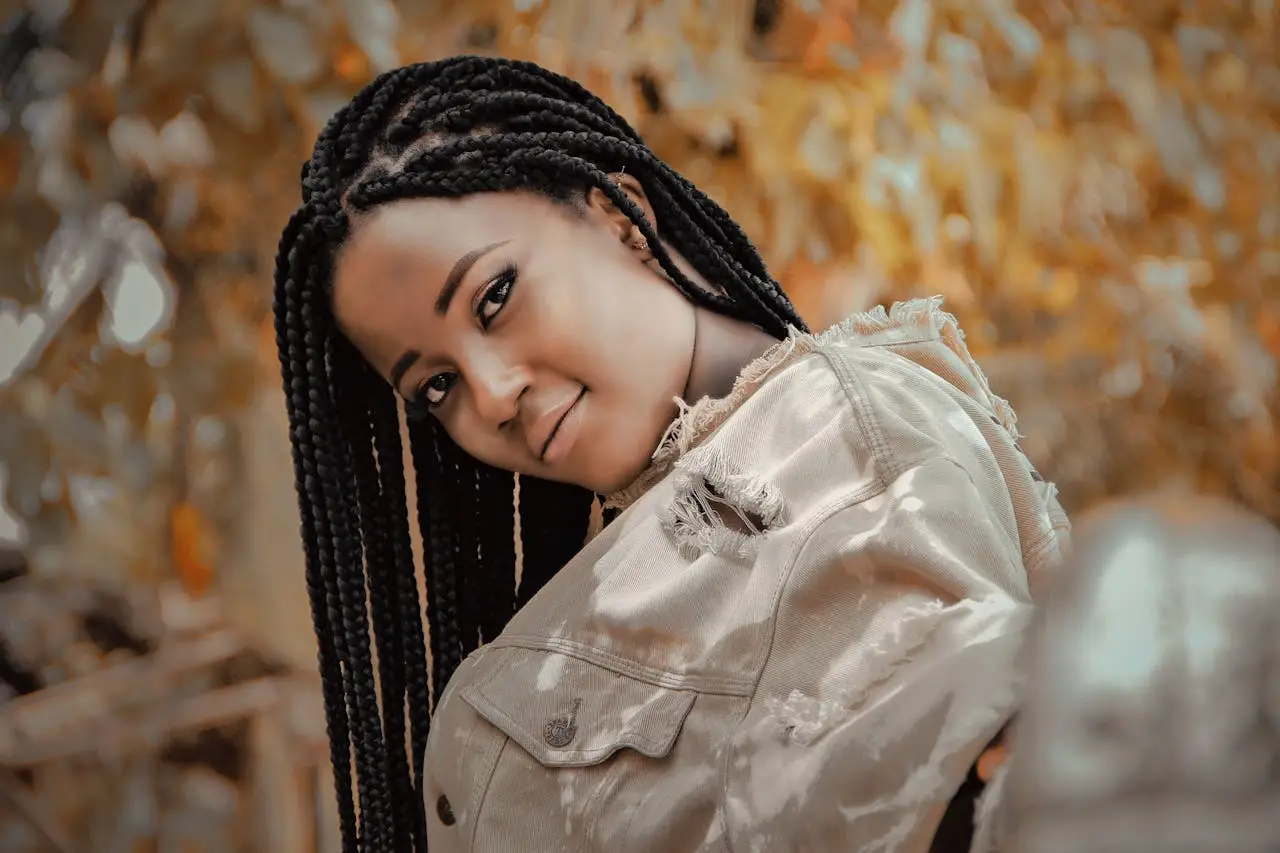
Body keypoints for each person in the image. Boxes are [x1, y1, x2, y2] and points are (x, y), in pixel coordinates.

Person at [272, 55, 1071, 853]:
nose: (489, 395)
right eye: (437, 386)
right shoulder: (635, 538)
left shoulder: (832, 439)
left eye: (494, 297)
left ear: (622, 216)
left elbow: (952, 773)